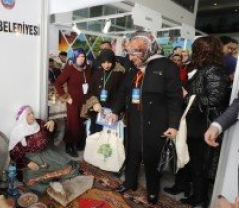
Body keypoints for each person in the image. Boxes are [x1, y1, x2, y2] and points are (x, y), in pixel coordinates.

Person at [112, 31, 183, 204]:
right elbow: (123, 91)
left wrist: (173, 125)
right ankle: (130, 182)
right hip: (134, 119)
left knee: (152, 158)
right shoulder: (132, 68)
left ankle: (152, 191)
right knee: (132, 153)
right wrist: (115, 111)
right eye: (128, 53)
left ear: (146, 50)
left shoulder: (167, 66)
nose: (130, 58)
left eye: (134, 53)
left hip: (157, 122)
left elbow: (175, 98)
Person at [179, 36, 228, 207]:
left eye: (196, 49)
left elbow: (215, 99)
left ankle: (200, 199)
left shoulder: (214, 70)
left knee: (200, 165)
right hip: (196, 121)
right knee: (194, 162)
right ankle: (196, 196)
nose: (193, 53)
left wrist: (189, 98)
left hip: (204, 124)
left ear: (204, 51)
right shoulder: (204, 68)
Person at [9, 105, 79, 193]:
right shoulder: (17, 132)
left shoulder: (39, 123)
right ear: (22, 118)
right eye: (28, 114)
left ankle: (53, 180)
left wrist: (53, 125)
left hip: (46, 153)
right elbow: (14, 154)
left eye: (32, 113)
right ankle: (53, 182)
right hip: (31, 158)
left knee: (70, 166)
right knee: (31, 179)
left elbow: (50, 134)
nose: (32, 116)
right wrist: (27, 163)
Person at [54, 48, 91, 157]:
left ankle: (79, 142)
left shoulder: (88, 69)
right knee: (73, 124)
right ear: (74, 57)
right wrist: (65, 97)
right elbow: (58, 83)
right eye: (79, 56)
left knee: (81, 123)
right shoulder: (70, 69)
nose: (81, 59)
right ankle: (69, 145)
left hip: (85, 102)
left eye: (83, 56)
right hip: (73, 102)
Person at [82, 49, 125, 134]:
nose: (106, 65)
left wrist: (115, 111)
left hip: (111, 112)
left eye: (109, 62)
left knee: (109, 138)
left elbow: (122, 94)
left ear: (113, 60)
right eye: (103, 62)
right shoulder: (97, 73)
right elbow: (90, 91)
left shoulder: (119, 74)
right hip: (98, 111)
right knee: (96, 136)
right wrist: (94, 103)